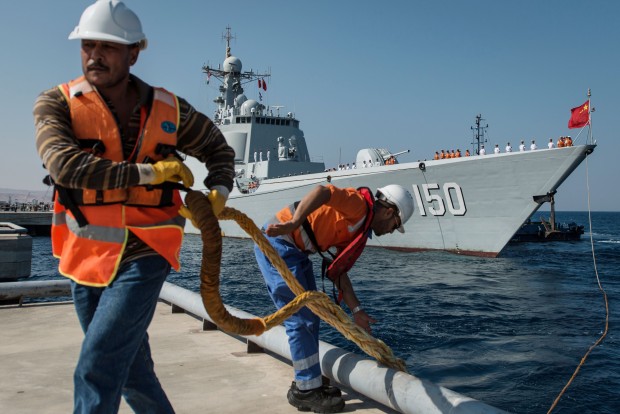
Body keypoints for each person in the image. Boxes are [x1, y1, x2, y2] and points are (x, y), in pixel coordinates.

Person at [33, 1, 235, 412]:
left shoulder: (171, 111)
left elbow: (218, 148)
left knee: (97, 366)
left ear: (133, 53)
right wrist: (151, 175)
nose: (94, 55)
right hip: (85, 254)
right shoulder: (55, 104)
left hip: (149, 248)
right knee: (132, 371)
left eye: (107, 47)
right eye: (88, 45)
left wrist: (220, 188)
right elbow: (65, 166)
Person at [254, 184, 414, 413]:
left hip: (295, 252)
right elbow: (322, 191)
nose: (391, 231)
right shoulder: (358, 206)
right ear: (389, 212)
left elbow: (338, 271)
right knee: (301, 320)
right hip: (279, 243)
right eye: (395, 225)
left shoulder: (360, 226)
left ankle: (308, 383)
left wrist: (357, 311)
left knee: (312, 317)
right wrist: (294, 222)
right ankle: (306, 391)